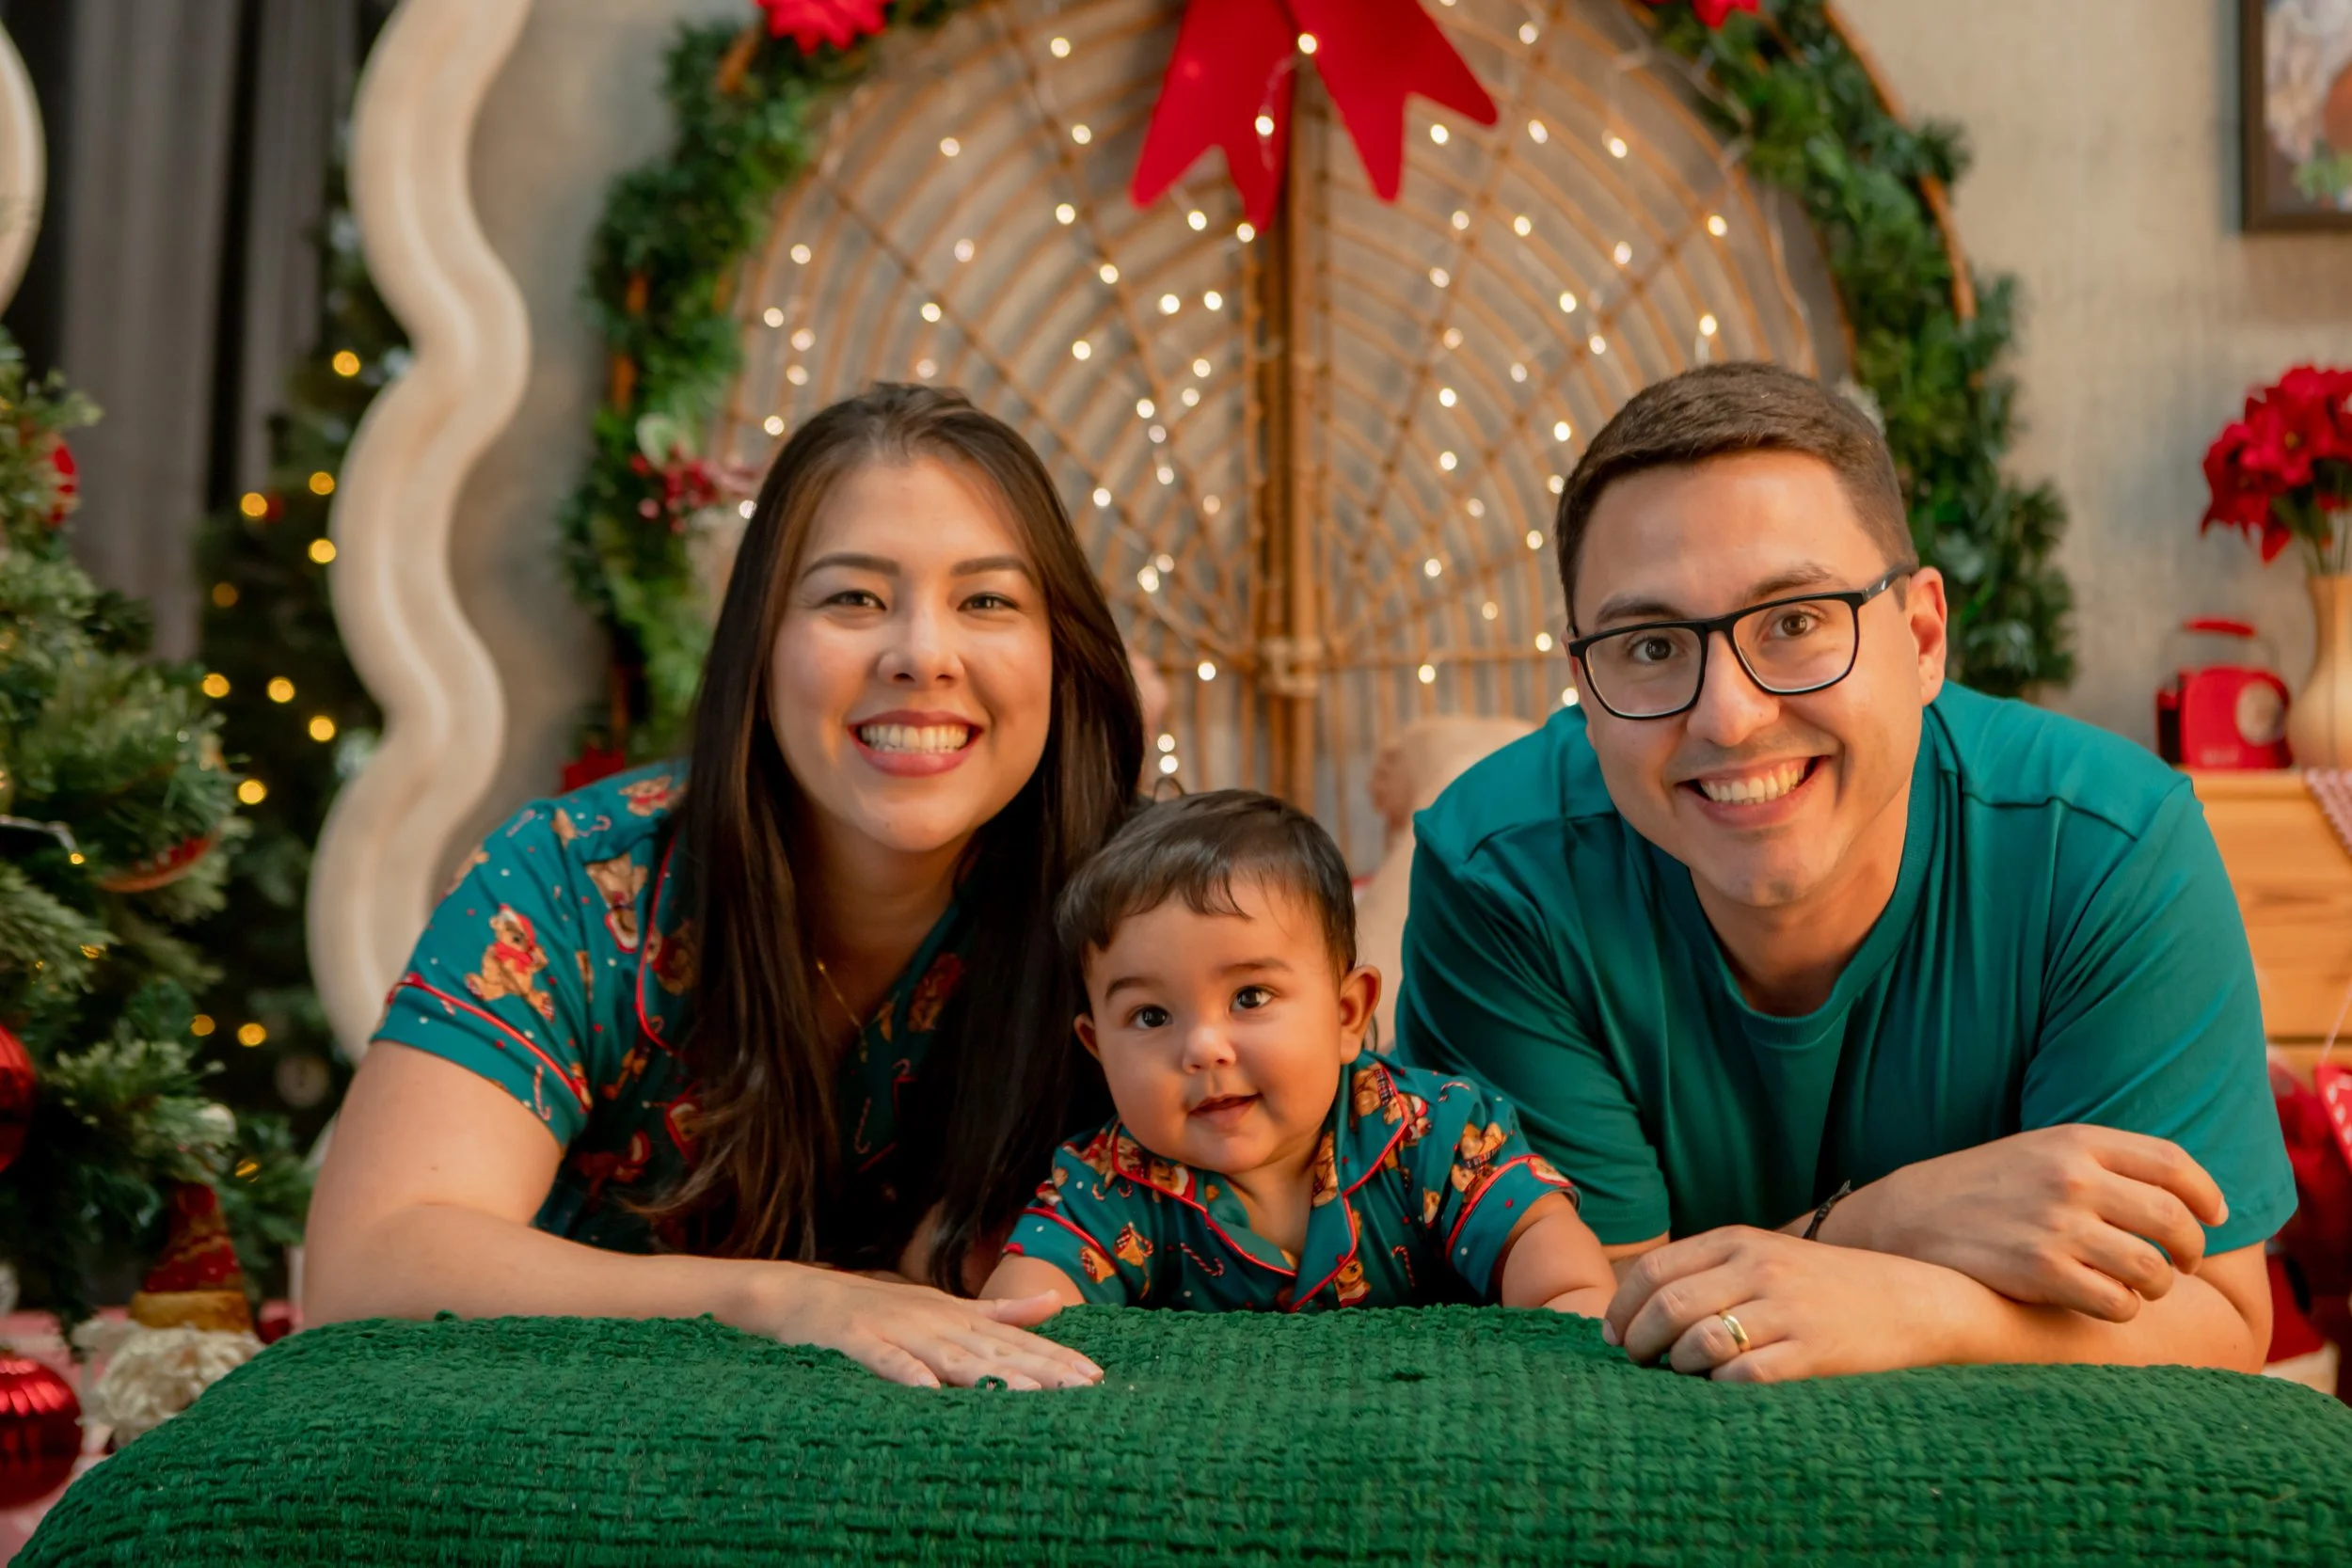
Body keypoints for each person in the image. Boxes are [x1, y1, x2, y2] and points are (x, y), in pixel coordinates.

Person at [1398, 361, 2294, 1383]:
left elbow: (2216, 1315)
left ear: (1920, 637)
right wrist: (1885, 1218)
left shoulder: (2105, 848)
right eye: (1649, 645)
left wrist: (1911, 1306)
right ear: (1584, 690)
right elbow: (1591, 1331)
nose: (1726, 715)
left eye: (1793, 622)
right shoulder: (1497, 876)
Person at [304, 385, 1143, 1391]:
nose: (922, 653)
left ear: (1061, 653)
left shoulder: (1139, 905)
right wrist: (781, 1297)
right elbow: (370, 1259)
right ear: (759, 644)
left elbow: (1339, 1136)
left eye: (988, 600)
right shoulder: (575, 880)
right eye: (852, 598)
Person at [983, 791, 1615, 1315]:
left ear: (1347, 1014)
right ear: (1097, 1047)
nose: (1203, 1047)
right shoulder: (1105, 1184)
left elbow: (1542, 1243)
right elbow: (1023, 1313)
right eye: (1151, 1015)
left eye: (1250, 996)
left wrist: (1562, 1311)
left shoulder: (1435, 1133)